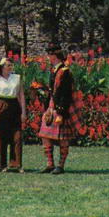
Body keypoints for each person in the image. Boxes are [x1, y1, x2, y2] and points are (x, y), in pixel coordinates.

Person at [38, 43, 76, 174]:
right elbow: (52, 91)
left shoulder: (65, 72)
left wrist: (61, 113)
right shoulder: (54, 70)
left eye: (50, 54)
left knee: (63, 139)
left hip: (60, 109)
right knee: (45, 136)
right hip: (51, 107)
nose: (48, 57)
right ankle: (50, 164)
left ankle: (60, 165)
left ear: (55, 56)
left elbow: (66, 94)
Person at [0, 57, 25, 172]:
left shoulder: (17, 78)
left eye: (11, 65)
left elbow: (21, 96)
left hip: (14, 107)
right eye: (7, 65)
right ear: (2, 67)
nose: (10, 67)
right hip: (1, 108)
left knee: (17, 136)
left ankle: (16, 164)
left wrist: (23, 112)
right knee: (1, 137)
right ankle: (2, 164)